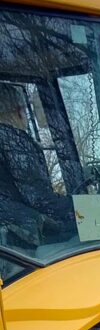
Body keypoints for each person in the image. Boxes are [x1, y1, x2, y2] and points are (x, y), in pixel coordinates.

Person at [0, 83, 75, 253]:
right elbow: (39, 199)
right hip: (19, 242)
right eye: (27, 111)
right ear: (19, 111)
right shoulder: (14, 141)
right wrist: (77, 207)